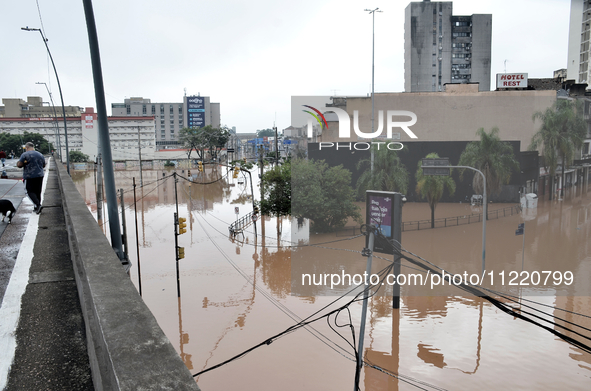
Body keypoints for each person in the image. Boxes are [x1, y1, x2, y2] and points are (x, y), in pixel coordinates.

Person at [17, 142, 46, 214]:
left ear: (26, 147)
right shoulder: (40, 154)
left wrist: (21, 163)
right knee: (37, 191)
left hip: (29, 176)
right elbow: (44, 165)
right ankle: (36, 207)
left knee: (29, 191)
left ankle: (38, 205)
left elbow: (19, 165)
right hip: (39, 175)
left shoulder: (24, 155)